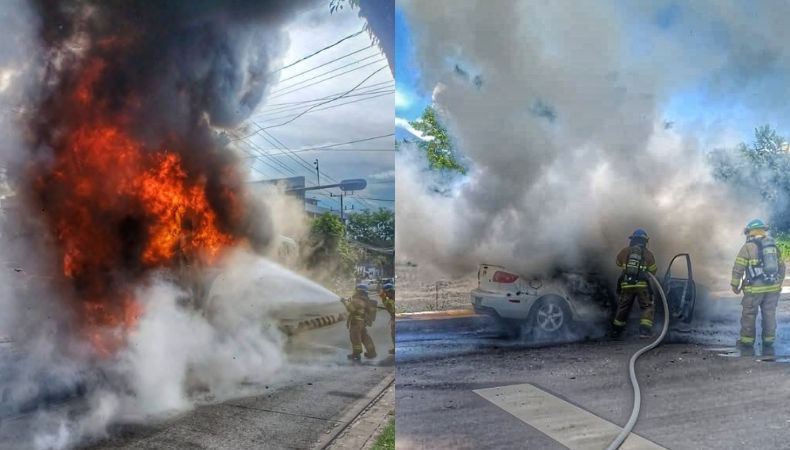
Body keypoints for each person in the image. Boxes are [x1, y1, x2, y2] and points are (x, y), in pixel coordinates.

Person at [730, 219, 785, 351]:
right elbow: (782, 267)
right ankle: (769, 341)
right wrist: (779, 282)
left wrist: (735, 285)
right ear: (763, 230)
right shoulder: (773, 245)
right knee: (769, 313)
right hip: (773, 288)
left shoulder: (748, 247)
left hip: (754, 289)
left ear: (750, 232)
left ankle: (747, 342)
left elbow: (738, 268)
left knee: (749, 314)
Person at [611, 228, 658, 340]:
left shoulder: (625, 251)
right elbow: (654, 270)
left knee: (623, 307)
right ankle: (644, 332)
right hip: (641, 286)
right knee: (647, 307)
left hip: (626, 284)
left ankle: (616, 332)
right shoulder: (648, 254)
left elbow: (617, 263)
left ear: (632, 240)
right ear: (644, 241)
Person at [341, 284, 377, 361]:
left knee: (355, 337)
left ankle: (356, 354)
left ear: (358, 291)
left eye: (356, 290)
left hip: (356, 322)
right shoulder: (365, 300)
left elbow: (352, 309)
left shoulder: (357, 300)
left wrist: (344, 302)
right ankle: (372, 352)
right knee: (365, 337)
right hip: (362, 322)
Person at [380, 283, 396, 355]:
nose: (385, 294)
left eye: (386, 293)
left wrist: (383, 298)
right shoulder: (392, 298)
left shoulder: (391, 300)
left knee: (394, 334)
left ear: (390, 292)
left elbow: (389, 306)